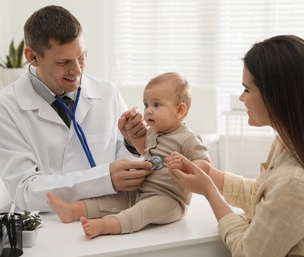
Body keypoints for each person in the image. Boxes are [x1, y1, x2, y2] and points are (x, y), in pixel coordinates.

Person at [167, 35, 304, 257]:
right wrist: (209, 174)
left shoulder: (296, 182)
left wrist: (209, 192)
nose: (241, 97)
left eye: (247, 89)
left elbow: (249, 255)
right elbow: (264, 197)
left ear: (277, 96)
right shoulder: (292, 143)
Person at [0, 5, 153, 212]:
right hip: (49, 225)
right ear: (32, 56)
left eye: (82, 56)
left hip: (108, 217)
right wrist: (104, 179)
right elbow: (26, 191)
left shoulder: (107, 92)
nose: (77, 70)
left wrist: (130, 144)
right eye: (63, 61)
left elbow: (126, 166)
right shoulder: (4, 107)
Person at [47, 72, 211, 239]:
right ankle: (72, 210)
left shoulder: (189, 138)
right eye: (146, 105)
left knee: (140, 212)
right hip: (140, 190)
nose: (148, 111)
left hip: (168, 199)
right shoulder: (154, 132)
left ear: (180, 110)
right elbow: (143, 150)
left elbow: (205, 166)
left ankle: (105, 225)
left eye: (156, 105)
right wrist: (129, 134)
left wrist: (185, 165)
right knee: (113, 198)